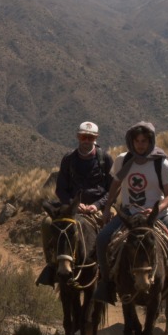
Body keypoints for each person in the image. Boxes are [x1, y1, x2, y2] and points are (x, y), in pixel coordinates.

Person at [93, 121, 168, 307]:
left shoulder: (161, 163)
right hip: (128, 215)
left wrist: (159, 207)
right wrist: (107, 208)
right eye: (137, 140)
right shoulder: (122, 160)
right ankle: (106, 283)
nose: (140, 145)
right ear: (131, 141)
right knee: (102, 239)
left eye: (144, 141)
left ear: (151, 142)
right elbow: (115, 186)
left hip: (157, 215)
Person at [36, 121, 114, 286]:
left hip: (97, 206)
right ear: (78, 137)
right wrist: (74, 205)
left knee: (114, 230)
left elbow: (112, 188)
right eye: (83, 137)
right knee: (47, 223)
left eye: (90, 137)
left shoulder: (105, 158)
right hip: (71, 207)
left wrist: (98, 205)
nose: (86, 140)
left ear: (96, 138)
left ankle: (111, 274)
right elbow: (61, 189)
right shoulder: (69, 159)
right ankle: (51, 266)